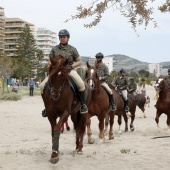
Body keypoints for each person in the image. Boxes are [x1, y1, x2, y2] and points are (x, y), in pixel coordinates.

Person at [39, 29, 88, 117]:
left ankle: (83, 105)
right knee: (42, 86)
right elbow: (49, 61)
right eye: (61, 37)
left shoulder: (72, 49)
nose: (62, 38)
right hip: (56, 71)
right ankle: (46, 107)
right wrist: (54, 66)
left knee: (81, 84)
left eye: (64, 37)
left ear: (68, 38)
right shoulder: (54, 49)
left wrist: (71, 67)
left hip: (69, 70)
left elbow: (79, 62)